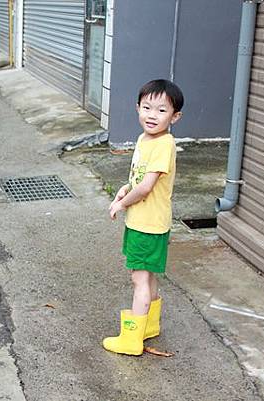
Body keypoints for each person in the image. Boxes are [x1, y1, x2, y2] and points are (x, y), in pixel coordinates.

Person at [103, 79, 184, 356]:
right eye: (147, 107)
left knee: (139, 279)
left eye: (162, 111)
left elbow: (147, 187)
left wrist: (121, 204)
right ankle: (149, 325)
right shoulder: (144, 140)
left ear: (175, 116)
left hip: (146, 224)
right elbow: (137, 177)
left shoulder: (164, 144)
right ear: (137, 108)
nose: (152, 115)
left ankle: (131, 339)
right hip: (148, 222)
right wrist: (124, 189)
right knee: (148, 276)